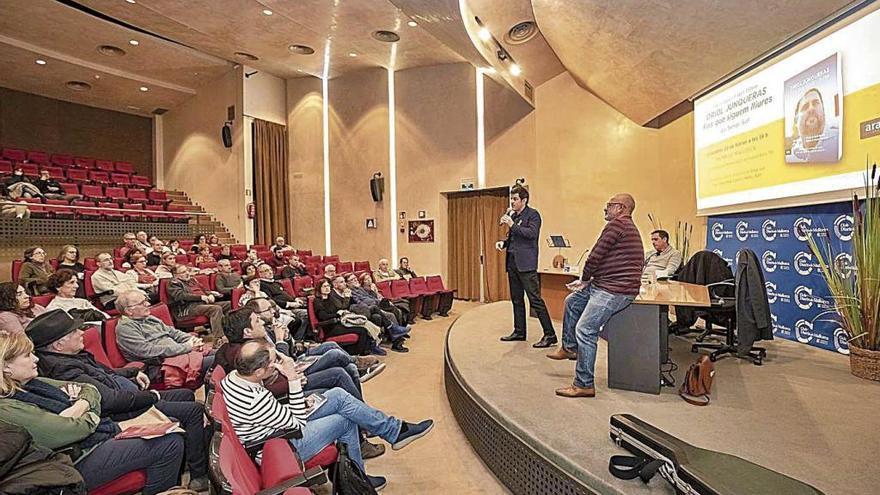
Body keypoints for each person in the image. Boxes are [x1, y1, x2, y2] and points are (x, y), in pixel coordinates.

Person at [28, 310, 210, 491]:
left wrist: (132, 372)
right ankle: (197, 474)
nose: (82, 332)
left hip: (128, 395)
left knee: (185, 394)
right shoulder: (62, 369)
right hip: (122, 410)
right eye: (75, 331)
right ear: (59, 345)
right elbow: (109, 401)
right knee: (193, 411)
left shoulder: (72, 355)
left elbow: (106, 373)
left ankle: (185, 461)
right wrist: (152, 396)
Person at [220, 339, 434, 491]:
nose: (279, 364)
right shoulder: (254, 399)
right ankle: (356, 483)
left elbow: (278, 415)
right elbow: (297, 423)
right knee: (344, 421)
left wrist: (301, 400)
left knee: (338, 396)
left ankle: (394, 431)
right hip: (280, 445)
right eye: (274, 363)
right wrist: (292, 379)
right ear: (258, 372)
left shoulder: (235, 377)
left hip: (278, 427)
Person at [0, 332, 184, 494]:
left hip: (91, 438)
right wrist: (86, 410)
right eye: (27, 356)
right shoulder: (6, 407)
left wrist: (79, 406)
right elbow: (72, 431)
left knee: (171, 423)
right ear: (6, 367)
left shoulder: (33, 382)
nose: (36, 359)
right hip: (67, 464)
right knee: (169, 442)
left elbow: (89, 390)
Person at [547, 193, 644, 398]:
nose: (605, 209)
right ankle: (569, 347)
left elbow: (595, 256)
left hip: (614, 290)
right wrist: (590, 282)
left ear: (620, 208)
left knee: (586, 329)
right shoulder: (627, 228)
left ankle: (584, 384)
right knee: (572, 301)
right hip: (606, 284)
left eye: (609, 205)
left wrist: (584, 279)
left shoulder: (617, 225)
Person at [496, 186, 557, 348]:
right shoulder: (513, 216)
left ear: (524, 200)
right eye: (511, 199)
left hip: (526, 265)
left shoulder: (533, 215)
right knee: (516, 299)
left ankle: (550, 335)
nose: (512, 202)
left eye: (515, 199)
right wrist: (504, 243)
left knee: (535, 300)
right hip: (512, 262)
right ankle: (519, 331)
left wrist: (511, 224)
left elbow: (531, 234)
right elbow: (515, 237)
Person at [114, 290, 215, 380]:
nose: (148, 304)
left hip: (179, 353)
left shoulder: (149, 318)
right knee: (221, 359)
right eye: (142, 303)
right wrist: (187, 347)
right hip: (160, 365)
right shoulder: (125, 328)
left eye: (146, 300)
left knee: (223, 353)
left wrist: (192, 339)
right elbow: (148, 351)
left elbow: (173, 332)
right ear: (129, 311)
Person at [166, 265, 230, 340]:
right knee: (215, 309)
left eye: (187, 271)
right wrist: (201, 297)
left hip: (202, 304)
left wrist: (210, 294)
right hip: (187, 308)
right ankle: (218, 338)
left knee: (228, 304)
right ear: (175, 275)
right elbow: (181, 296)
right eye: (183, 272)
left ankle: (229, 331)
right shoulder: (173, 283)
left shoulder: (192, 280)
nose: (187, 273)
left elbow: (204, 290)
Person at [313, 278, 371, 356]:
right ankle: (358, 356)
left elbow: (340, 308)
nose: (327, 288)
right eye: (324, 286)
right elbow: (323, 316)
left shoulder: (331, 298)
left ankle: (361, 352)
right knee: (362, 331)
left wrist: (343, 312)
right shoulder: (317, 301)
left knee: (364, 326)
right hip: (330, 327)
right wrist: (338, 314)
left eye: (328, 286)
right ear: (319, 289)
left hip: (338, 323)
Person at [787, 88, 841, 163]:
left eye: (816, 103)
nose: (811, 108)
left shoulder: (839, 138)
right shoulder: (790, 156)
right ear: (796, 121)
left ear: (823, 111)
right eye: (805, 106)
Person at [45, 270, 110, 322]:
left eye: (76, 282)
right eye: (71, 282)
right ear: (58, 287)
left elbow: (106, 318)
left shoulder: (83, 302)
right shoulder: (54, 309)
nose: (77, 286)